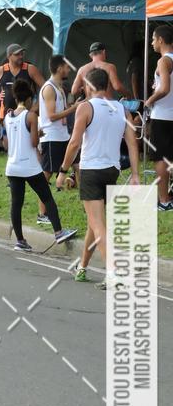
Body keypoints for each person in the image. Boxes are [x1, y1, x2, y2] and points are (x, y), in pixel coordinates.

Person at [55, 68, 140, 288]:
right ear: (107, 85)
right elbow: (132, 143)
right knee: (95, 224)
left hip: (91, 170)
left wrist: (63, 171)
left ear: (89, 86)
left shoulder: (85, 107)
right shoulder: (122, 109)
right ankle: (82, 266)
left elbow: (74, 143)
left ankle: (113, 272)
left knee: (97, 222)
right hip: (112, 169)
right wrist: (136, 174)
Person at [3, 79, 77, 251]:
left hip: (12, 166)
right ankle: (58, 232)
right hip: (29, 166)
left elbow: (9, 141)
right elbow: (34, 142)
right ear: (29, 99)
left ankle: (20, 240)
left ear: (16, 98)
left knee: (16, 203)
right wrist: (38, 132)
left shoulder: (8, 117)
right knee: (47, 198)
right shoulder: (31, 116)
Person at [38, 54, 79, 197]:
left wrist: (76, 105)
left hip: (63, 135)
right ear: (60, 68)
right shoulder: (49, 88)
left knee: (78, 165)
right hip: (51, 137)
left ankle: (86, 203)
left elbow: (62, 110)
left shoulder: (59, 87)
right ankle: (42, 211)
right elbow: (52, 116)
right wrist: (73, 109)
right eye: (67, 67)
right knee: (47, 172)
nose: (69, 70)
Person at [144, 24, 173, 211]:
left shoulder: (163, 61)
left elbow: (165, 88)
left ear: (161, 40)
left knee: (160, 158)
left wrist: (149, 100)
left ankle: (163, 201)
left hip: (162, 116)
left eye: (153, 39)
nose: (152, 43)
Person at [0, 44, 45, 121]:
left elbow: (46, 88)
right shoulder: (1, 70)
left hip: (25, 117)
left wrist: (35, 107)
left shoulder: (30, 69)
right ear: (9, 56)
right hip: (5, 117)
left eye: (22, 54)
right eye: (17, 54)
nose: (21, 56)